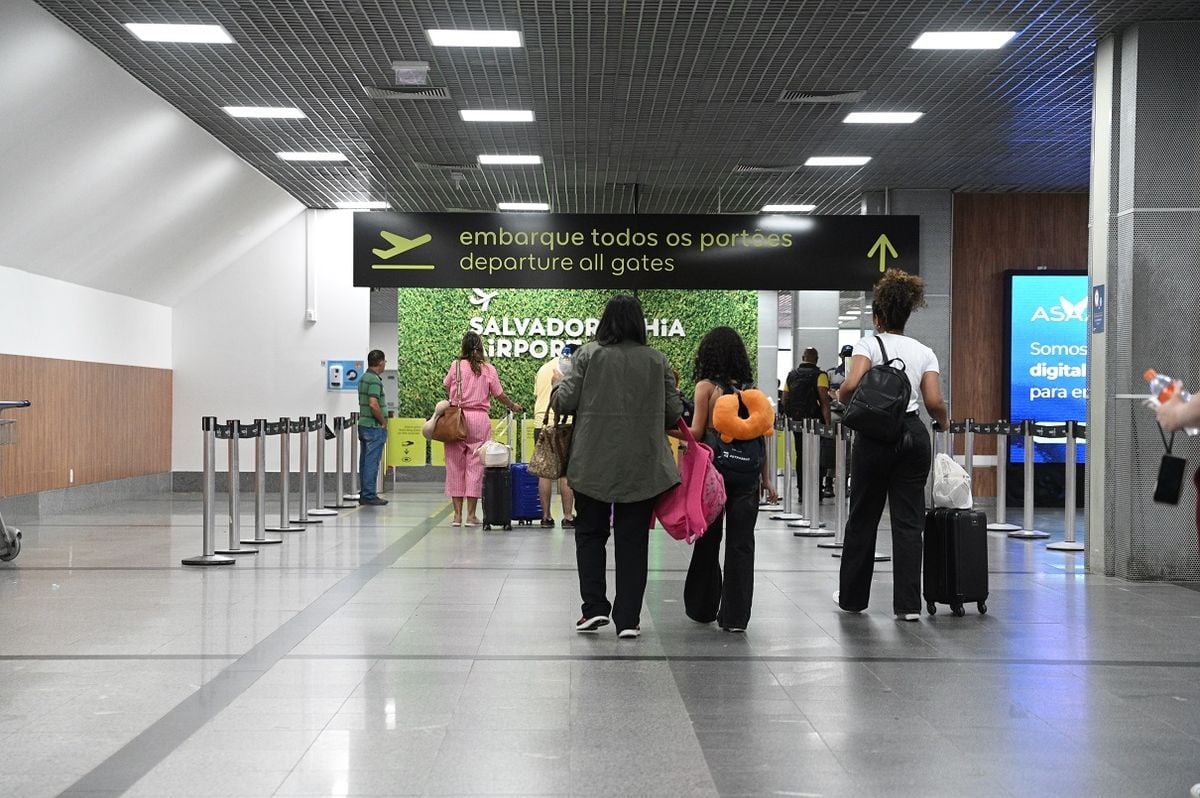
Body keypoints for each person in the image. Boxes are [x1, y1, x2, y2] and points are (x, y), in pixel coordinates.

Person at [553, 294, 684, 638]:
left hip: (592, 462)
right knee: (633, 541)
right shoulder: (657, 360)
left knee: (591, 535)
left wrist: (558, 384)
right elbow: (673, 413)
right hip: (642, 467)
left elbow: (565, 400)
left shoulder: (588, 354)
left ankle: (594, 608)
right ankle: (628, 619)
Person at [835, 269, 948, 621]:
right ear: (908, 314)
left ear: (877, 317)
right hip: (913, 436)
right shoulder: (924, 352)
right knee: (909, 522)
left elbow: (851, 385)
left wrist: (841, 395)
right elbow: (933, 402)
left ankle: (853, 599)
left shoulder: (869, 344)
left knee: (863, 517)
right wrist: (943, 422)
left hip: (874, 438)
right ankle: (908, 606)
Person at [681, 326, 779, 633]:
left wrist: (671, 432)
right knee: (741, 545)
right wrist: (766, 480)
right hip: (747, 475)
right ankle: (736, 617)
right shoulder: (751, 390)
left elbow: (696, 433)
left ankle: (702, 606)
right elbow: (761, 439)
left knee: (708, 540)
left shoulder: (706, 387)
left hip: (715, 475)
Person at [442, 331, 523, 526]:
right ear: (480, 346)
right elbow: (499, 394)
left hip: (457, 418)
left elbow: (447, 386)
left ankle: (456, 516)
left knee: (454, 466)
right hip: (479, 418)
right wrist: (513, 406)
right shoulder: (488, 369)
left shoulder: (456, 366)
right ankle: (471, 516)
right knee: (475, 465)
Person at [533, 343, 576, 528]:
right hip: (564, 424)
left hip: (541, 423)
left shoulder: (544, 368)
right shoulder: (573, 369)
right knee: (565, 473)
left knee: (544, 471)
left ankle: (546, 517)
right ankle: (567, 517)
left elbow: (538, 395)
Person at [783, 347, 831, 501]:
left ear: (803, 357)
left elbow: (785, 398)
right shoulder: (820, 375)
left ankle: (802, 493)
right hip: (815, 422)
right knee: (816, 456)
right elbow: (824, 401)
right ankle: (816, 491)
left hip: (797, 422)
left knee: (800, 455)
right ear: (816, 359)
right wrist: (827, 424)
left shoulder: (791, 375)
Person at [357, 349, 389, 506]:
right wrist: (383, 422)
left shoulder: (364, 378)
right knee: (372, 461)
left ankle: (364, 492)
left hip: (363, 425)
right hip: (373, 426)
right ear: (381, 362)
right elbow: (373, 403)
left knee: (364, 461)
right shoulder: (374, 380)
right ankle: (369, 495)